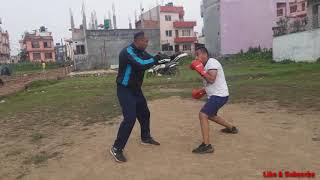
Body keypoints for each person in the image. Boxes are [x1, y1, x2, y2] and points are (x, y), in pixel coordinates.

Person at [110, 31, 165, 163]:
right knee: (130, 118)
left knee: (145, 113)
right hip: (124, 89)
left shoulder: (142, 51)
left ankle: (145, 137)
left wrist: (168, 58)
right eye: (145, 41)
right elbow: (141, 64)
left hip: (135, 90)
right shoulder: (127, 52)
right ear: (138, 41)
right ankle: (116, 148)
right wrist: (155, 59)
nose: (147, 43)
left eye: (147, 41)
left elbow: (151, 60)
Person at [190, 46, 239, 154]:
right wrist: (203, 91)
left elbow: (211, 79)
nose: (196, 57)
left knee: (203, 115)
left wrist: (200, 70)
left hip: (219, 95)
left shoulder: (212, 62)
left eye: (198, 54)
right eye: (195, 55)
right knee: (211, 115)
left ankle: (207, 146)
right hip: (217, 95)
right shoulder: (205, 65)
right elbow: (210, 83)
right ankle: (231, 128)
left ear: (204, 54)